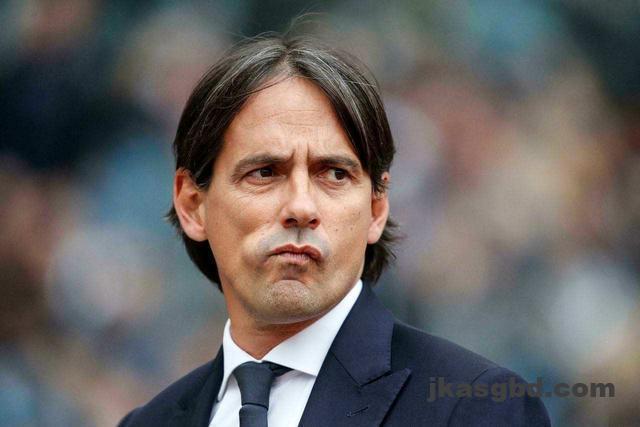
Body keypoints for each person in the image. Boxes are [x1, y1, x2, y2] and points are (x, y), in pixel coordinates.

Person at [118, 34, 550, 427]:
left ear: (376, 209)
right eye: (265, 172)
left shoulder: (477, 408)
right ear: (193, 205)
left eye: (335, 174)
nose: (301, 207)